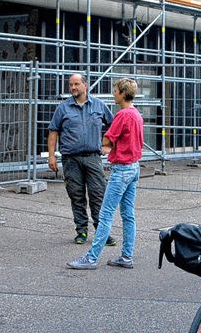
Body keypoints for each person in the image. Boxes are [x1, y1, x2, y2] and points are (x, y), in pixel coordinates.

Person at [68, 78, 144, 270]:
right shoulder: (137, 114)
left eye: (116, 90)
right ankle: (127, 256)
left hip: (122, 169)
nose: (113, 93)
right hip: (134, 167)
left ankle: (92, 258)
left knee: (105, 214)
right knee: (128, 214)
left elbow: (108, 138)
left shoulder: (123, 115)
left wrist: (107, 147)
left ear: (123, 93)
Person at [47, 73, 116, 246]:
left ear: (85, 85)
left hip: (93, 158)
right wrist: (51, 156)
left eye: (76, 84)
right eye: (71, 85)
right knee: (76, 195)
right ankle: (81, 231)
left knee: (98, 195)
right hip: (71, 160)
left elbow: (113, 127)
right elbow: (53, 131)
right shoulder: (63, 108)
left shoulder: (99, 106)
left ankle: (102, 232)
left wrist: (109, 146)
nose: (73, 88)